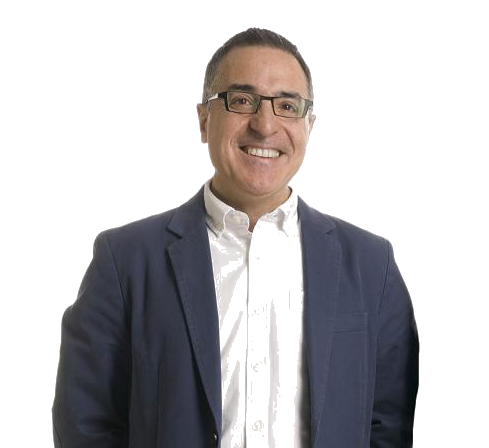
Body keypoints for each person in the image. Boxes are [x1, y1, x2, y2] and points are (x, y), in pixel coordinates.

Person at [52, 28, 418, 447]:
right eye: (242, 100)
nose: (265, 125)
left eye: (287, 106)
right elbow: (85, 425)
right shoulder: (124, 261)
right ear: (204, 120)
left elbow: (390, 427)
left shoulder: (372, 265)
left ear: (308, 127)